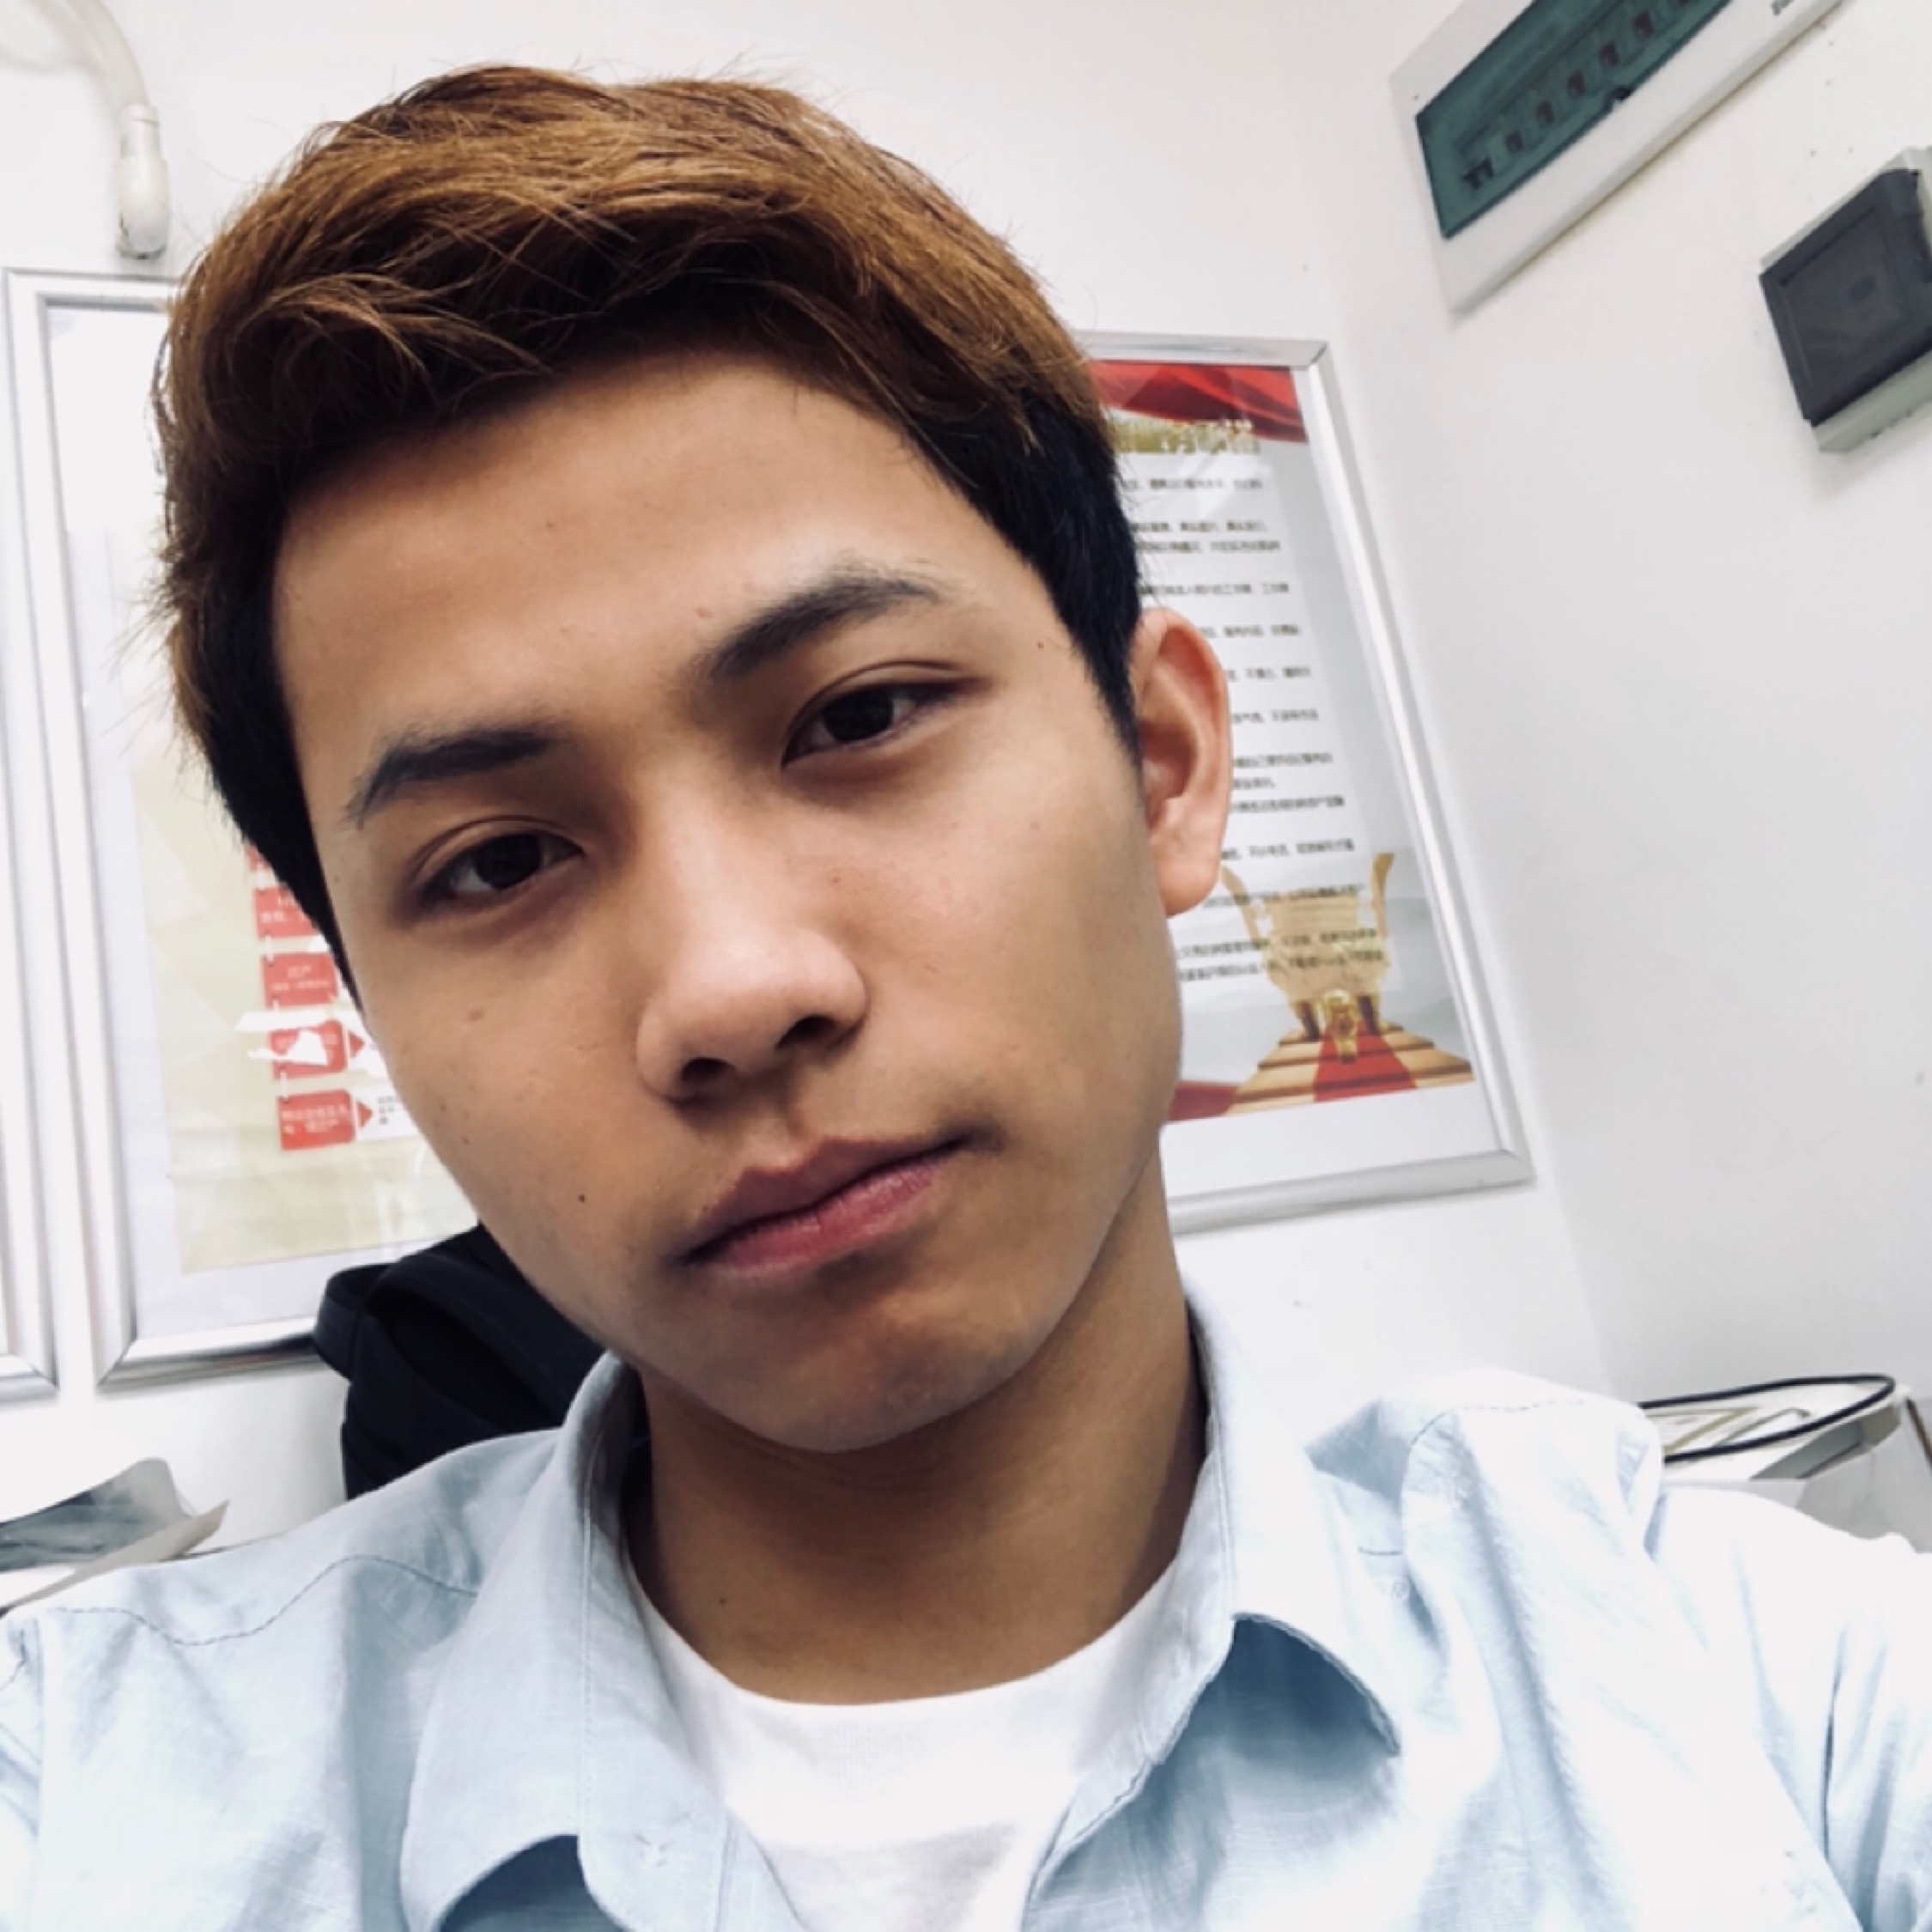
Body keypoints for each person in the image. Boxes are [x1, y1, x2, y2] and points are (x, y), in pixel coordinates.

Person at [2, 64, 1929, 1932]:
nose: (732, 989)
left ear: (1161, 765)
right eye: (497, 863)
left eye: (859, 717)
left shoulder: (1754, 1688)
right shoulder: (87, 1791)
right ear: (369, 1011)